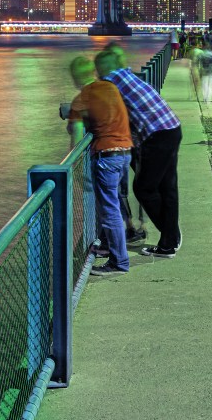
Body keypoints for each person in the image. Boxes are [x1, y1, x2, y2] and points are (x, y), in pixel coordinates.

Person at [97, 48, 183, 258]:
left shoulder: (110, 83)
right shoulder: (128, 75)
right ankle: (168, 242)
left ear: (104, 67)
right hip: (172, 126)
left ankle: (170, 235)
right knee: (167, 187)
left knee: (144, 188)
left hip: (156, 135)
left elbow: (101, 110)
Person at [67, 56, 133, 276]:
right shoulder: (110, 88)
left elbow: (76, 139)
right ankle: (108, 247)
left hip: (106, 156)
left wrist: (75, 171)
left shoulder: (80, 99)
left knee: (109, 210)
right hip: (125, 152)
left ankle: (119, 262)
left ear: (76, 78)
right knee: (115, 202)